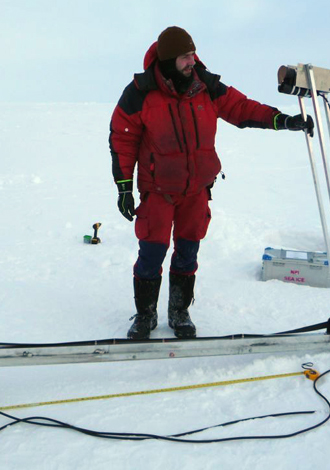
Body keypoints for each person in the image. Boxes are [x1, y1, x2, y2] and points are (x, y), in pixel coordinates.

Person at [109, 26, 314, 341]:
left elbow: (242, 108)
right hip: (158, 191)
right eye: (184, 57)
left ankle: (179, 313)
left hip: (196, 191)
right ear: (166, 60)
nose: (192, 61)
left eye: (192, 54)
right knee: (151, 254)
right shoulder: (139, 93)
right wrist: (124, 188)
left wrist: (281, 120)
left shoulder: (206, 86)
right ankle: (145, 315)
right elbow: (123, 140)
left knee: (188, 252)